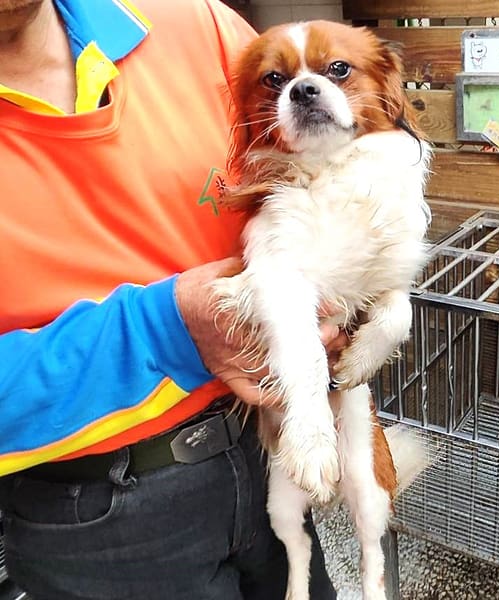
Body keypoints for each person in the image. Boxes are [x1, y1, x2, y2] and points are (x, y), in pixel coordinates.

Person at [0, 0, 342, 598]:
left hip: (261, 449)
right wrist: (165, 333)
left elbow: (324, 173)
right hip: (94, 522)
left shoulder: (204, 27)